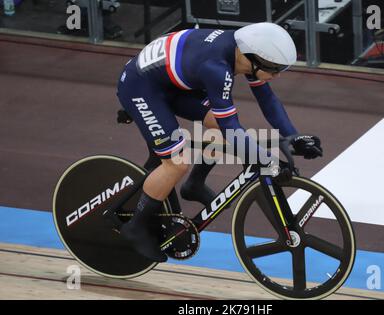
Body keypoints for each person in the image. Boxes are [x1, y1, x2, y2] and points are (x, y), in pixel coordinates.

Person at [116, 22, 323, 262]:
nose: (276, 76)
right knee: (177, 163)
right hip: (142, 87)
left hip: (173, 81)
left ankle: (194, 184)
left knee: (217, 122)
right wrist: (268, 161)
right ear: (253, 60)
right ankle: (135, 226)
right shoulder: (217, 68)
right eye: (275, 70)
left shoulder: (243, 50)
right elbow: (232, 129)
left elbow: (268, 100)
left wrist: (293, 136)